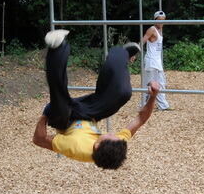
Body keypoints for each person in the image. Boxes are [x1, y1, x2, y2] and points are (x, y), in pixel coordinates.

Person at [32, 29, 160, 169]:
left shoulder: (76, 147)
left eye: (109, 135)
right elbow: (141, 119)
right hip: (90, 114)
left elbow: (39, 139)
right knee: (123, 94)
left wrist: (46, 114)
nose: (111, 133)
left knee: (59, 94)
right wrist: (153, 96)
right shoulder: (115, 144)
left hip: (65, 119)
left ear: (97, 145)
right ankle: (122, 54)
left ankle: (57, 48)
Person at [140, 10, 170, 110]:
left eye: (163, 20)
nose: (161, 22)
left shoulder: (160, 30)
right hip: (151, 61)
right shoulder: (152, 29)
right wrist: (133, 53)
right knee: (149, 84)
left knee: (161, 83)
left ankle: (163, 106)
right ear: (155, 20)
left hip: (157, 61)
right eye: (159, 20)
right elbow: (142, 41)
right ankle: (144, 105)